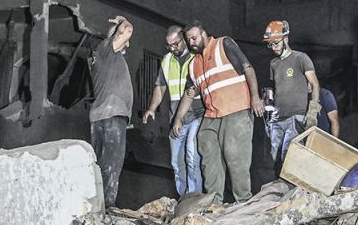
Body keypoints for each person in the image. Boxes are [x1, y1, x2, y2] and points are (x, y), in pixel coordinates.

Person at [172, 20, 264, 203]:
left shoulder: (224, 45)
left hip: (236, 110)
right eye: (188, 39)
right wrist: (178, 118)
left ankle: (243, 201)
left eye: (194, 38)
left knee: (235, 157)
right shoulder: (194, 64)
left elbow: (248, 69)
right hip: (212, 115)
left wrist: (255, 97)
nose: (192, 42)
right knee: (207, 152)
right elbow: (189, 94)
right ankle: (214, 202)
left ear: (204, 34)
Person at [141, 25, 204, 196]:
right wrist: (152, 108)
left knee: (192, 157)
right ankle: (182, 197)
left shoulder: (196, 57)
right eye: (169, 45)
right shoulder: (167, 60)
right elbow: (160, 86)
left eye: (175, 44)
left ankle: (194, 196)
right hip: (175, 119)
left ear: (184, 39)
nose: (172, 48)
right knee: (176, 163)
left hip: (197, 115)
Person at [88, 16, 134, 209]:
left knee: (99, 162)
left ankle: (97, 204)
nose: (128, 43)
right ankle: (108, 204)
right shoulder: (107, 51)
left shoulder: (106, 58)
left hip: (101, 115)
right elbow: (128, 29)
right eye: (123, 38)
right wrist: (122, 21)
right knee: (112, 162)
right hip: (112, 114)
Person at [262, 20, 320, 167]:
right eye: (270, 44)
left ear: (286, 39)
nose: (273, 47)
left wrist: (312, 112)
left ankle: (294, 188)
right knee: (275, 158)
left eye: (276, 43)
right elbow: (274, 90)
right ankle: (281, 188)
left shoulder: (300, 58)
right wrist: (269, 116)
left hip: (296, 117)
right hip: (278, 118)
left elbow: (315, 84)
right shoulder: (273, 64)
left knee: (290, 156)